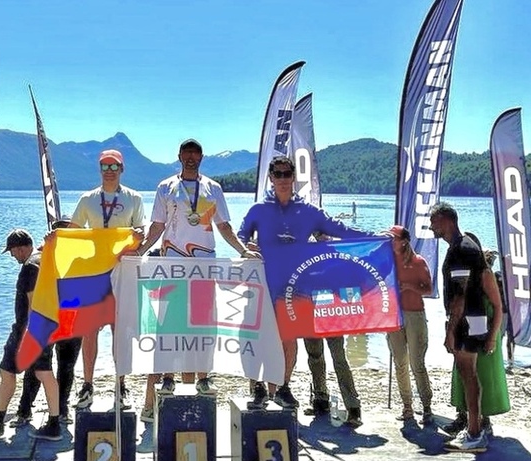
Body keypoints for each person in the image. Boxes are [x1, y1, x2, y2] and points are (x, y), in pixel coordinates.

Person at [238, 156, 373, 425]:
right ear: (271, 177)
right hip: (263, 285)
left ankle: (283, 387)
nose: (284, 179)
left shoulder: (309, 211)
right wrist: (244, 248)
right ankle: (258, 389)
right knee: (257, 339)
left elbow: (340, 230)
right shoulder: (258, 209)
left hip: (295, 287)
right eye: (278, 174)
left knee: (289, 341)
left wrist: (375, 237)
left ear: (294, 177)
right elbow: (241, 235)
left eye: (288, 174)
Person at [135, 138, 258, 423]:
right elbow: (157, 226)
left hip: (204, 265)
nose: (191, 158)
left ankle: (201, 380)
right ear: (179, 156)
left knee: (201, 324)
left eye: (195, 154)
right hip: (173, 264)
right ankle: (164, 382)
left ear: (202, 157)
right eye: (186, 154)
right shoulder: (166, 187)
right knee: (168, 324)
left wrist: (242, 251)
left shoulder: (213, 188)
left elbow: (223, 226)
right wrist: (139, 252)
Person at [69, 149, 145, 411]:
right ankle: (87, 385)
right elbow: (73, 233)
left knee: (119, 332)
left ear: (122, 169)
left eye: (114, 166)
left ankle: (120, 385)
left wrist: (136, 238)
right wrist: (52, 244)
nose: (109, 171)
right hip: (93, 275)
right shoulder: (87, 199)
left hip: (121, 274)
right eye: (105, 166)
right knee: (89, 332)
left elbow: (141, 235)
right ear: (99, 169)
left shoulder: (134, 198)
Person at [0, 229, 62, 440]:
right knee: (44, 373)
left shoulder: (30, 267)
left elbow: (33, 304)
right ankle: (54, 423)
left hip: (29, 330)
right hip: (49, 326)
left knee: (7, 370)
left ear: (21, 248)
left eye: (12, 252)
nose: (12, 256)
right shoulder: (44, 259)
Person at [428, 203, 502, 452]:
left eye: (434, 221)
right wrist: (491, 332)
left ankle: (474, 432)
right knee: (469, 375)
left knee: (468, 375)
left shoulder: (461, 249)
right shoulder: (468, 247)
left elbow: (459, 295)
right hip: (474, 320)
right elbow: (484, 289)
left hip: (466, 322)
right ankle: (475, 428)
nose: (431, 226)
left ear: (447, 221)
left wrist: (450, 331)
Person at [12, 216, 82, 426]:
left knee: (56, 366)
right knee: (47, 366)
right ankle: (32, 410)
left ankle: (47, 410)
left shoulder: (78, 259)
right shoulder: (39, 260)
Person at [384, 225, 433, 422]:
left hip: (414, 314)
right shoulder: (387, 259)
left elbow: (428, 289)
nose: (391, 241)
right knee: (400, 362)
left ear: (403, 241)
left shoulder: (418, 261)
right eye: (390, 238)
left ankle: (427, 405)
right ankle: (407, 406)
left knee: (417, 362)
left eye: (393, 238)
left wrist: (410, 287)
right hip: (394, 316)